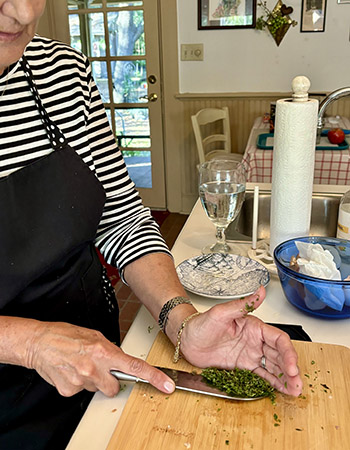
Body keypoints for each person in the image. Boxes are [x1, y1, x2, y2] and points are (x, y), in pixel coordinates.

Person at [0, 1, 302, 448]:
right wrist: (30, 343)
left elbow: (122, 217)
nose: (24, 13)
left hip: (101, 372)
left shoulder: (62, 71)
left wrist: (182, 323)